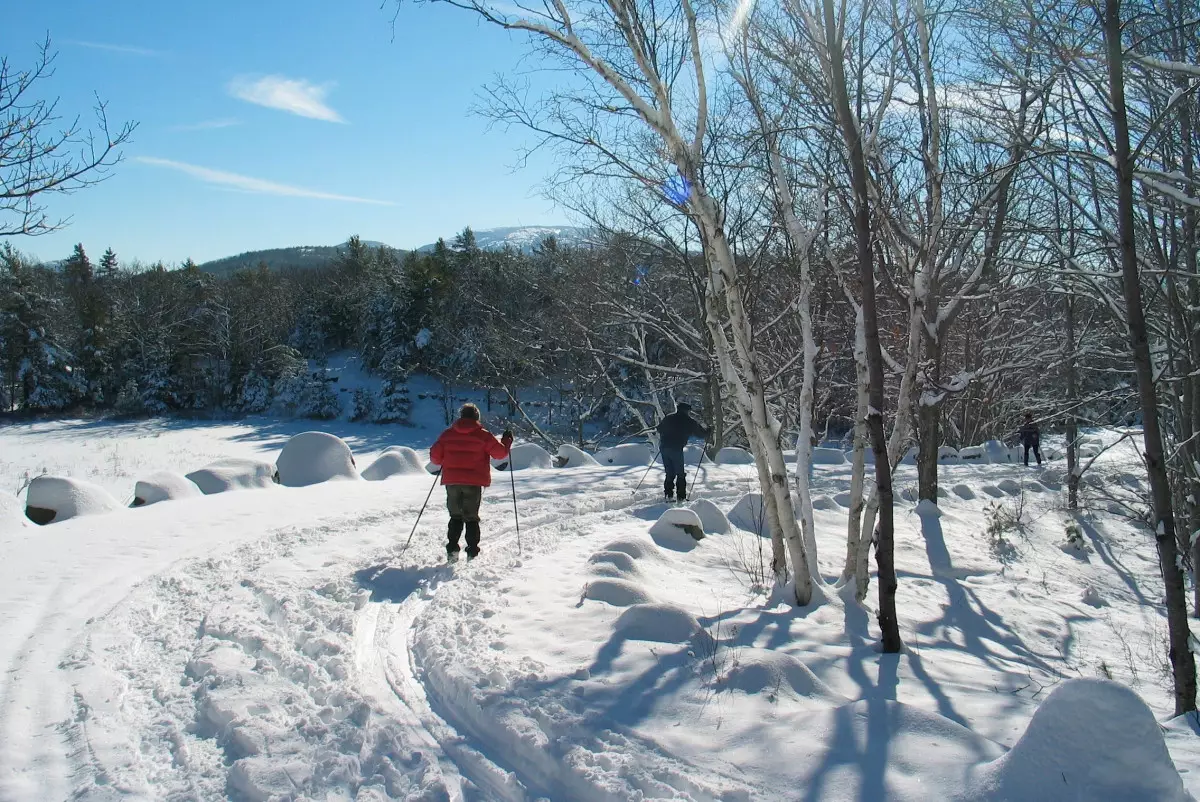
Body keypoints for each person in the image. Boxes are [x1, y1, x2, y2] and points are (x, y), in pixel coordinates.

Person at [430, 403, 513, 560]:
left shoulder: (447, 435)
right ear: (477, 418)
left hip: (452, 482)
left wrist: (446, 458)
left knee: (455, 516)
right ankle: (472, 552)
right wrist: (507, 440)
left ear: (461, 416)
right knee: (471, 517)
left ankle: (452, 550)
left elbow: (435, 457)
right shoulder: (483, 435)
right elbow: (500, 454)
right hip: (473, 483)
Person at [656, 402, 709, 502]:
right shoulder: (689, 421)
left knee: (669, 472)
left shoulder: (669, 418)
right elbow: (700, 434)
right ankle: (681, 496)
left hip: (664, 447)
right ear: (687, 411)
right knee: (680, 473)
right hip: (676, 448)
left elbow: (659, 429)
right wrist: (708, 431)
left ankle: (668, 494)